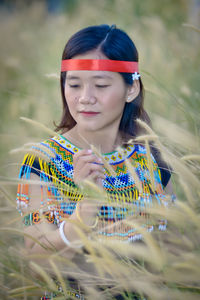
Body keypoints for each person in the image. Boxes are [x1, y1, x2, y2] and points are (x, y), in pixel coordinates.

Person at [16, 24, 173, 299]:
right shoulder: (44, 161)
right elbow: (34, 262)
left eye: (100, 85)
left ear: (131, 89)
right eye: (74, 84)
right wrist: (85, 209)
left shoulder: (152, 160)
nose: (85, 98)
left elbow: (166, 259)